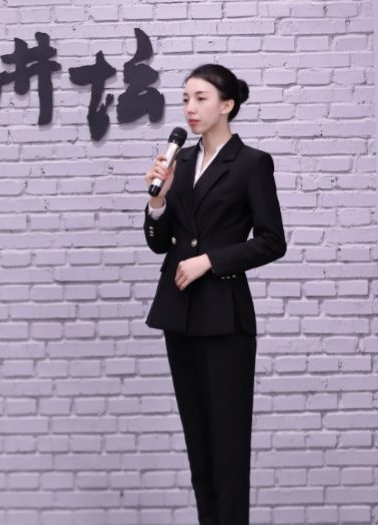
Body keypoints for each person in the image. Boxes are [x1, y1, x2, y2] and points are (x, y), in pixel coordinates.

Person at [142, 63, 287, 525]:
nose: (190, 107)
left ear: (227, 105)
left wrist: (210, 260)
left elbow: (272, 241)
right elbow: (159, 243)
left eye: (201, 98)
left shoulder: (251, 163)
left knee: (227, 446)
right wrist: (157, 200)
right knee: (199, 444)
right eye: (186, 98)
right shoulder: (181, 163)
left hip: (225, 317)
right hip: (179, 313)